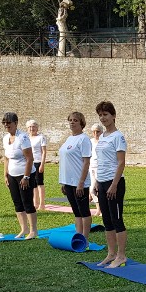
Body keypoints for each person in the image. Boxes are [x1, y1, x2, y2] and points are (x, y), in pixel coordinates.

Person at [94, 101, 127, 268]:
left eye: (105, 114)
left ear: (113, 116)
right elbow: (101, 161)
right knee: (107, 220)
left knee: (117, 219)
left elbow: (121, 163)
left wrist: (114, 185)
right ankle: (111, 253)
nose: (103, 118)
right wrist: (96, 182)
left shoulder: (118, 137)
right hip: (101, 182)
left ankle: (121, 255)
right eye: (100, 115)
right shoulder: (102, 137)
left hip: (115, 183)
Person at [2, 112, 38, 239]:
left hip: (25, 174)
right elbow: (6, 158)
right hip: (12, 174)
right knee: (17, 202)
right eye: (4, 123)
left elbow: (30, 158)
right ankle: (24, 229)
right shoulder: (5, 138)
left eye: (9, 123)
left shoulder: (22, 138)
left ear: (16, 123)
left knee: (27, 201)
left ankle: (33, 230)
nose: (6, 125)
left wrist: (26, 177)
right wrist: (5, 174)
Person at [59, 112, 92, 242]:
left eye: (75, 120)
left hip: (79, 182)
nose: (72, 122)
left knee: (84, 211)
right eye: (71, 120)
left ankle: (85, 238)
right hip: (68, 181)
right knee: (76, 211)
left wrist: (81, 183)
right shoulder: (69, 139)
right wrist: (64, 182)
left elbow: (86, 162)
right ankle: (79, 236)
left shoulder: (84, 139)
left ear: (81, 123)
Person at [27, 119, 47, 211]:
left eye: (34, 126)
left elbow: (44, 152)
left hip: (38, 162)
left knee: (39, 183)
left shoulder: (41, 137)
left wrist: (42, 164)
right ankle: (35, 203)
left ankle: (42, 204)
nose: (32, 128)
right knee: (33, 184)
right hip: (29, 163)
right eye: (30, 127)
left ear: (37, 128)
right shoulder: (26, 138)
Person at [89, 123, 103, 216]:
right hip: (91, 167)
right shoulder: (90, 142)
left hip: (100, 168)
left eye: (97, 131)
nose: (95, 133)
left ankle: (102, 209)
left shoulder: (103, 142)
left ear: (101, 132)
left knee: (99, 189)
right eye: (93, 132)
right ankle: (98, 209)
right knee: (92, 190)